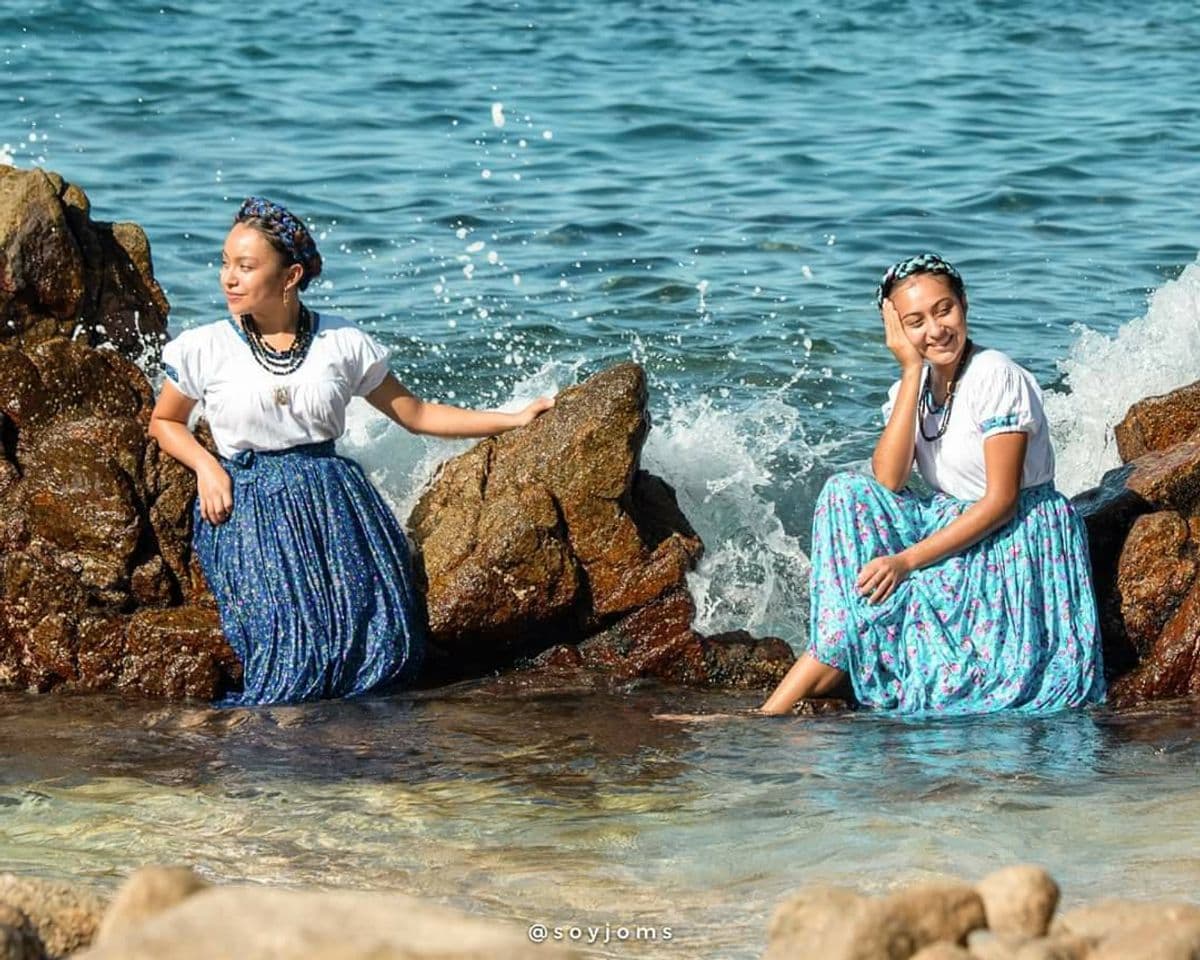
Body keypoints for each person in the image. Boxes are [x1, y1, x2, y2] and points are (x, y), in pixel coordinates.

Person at [149, 196, 553, 706]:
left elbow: (418, 414)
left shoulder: (342, 341)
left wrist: (512, 419)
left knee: (381, 645)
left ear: (290, 275)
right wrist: (208, 468)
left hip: (333, 499)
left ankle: (352, 758)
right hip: (248, 503)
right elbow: (164, 421)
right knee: (291, 652)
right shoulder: (204, 346)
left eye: (246, 266)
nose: (228, 277)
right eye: (226, 262)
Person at [759, 253, 1106, 716]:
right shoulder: (920, 383)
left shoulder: (995, 376)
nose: (936, 330)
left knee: (894, 602)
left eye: (944, 310)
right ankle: (802, 681)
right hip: (953, 523)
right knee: (845, 493)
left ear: (964, 304)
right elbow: (888, 478)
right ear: (898, 329)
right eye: (915, 321)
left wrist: (905, 562)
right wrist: (909, 370)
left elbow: (1002, 502)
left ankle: (770, 714)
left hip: (1015, 538)